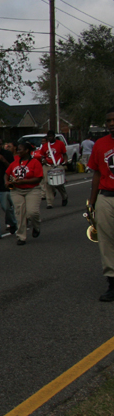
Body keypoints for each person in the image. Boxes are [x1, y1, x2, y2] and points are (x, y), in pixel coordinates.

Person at [87, 108, 114, 301]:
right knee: (106, 240)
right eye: (108, 120)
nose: (111, 123)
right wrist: (93, 201)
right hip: (106, 196)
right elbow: (96, 172)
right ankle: (112, 282)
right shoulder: (100, 144)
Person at [5, 142, 43, 246]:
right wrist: (7, 182)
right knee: (19, 213)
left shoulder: (35, 162)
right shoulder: (15, 162)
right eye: (17, 150)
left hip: (32, 189)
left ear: (27, 151)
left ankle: (36, 226)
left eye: (20, 150)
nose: (18, 151)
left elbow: (39, 178)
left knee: (32, 212)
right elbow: (7, 173)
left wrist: (24, 181)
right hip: (17, 191)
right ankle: (21, 236)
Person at [39, 130, 69, 209]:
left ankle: (64, 196)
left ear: (54, 136)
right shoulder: (45, 146)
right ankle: (49, 203)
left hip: (58, 165)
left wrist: (65, 161)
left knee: (59, 183)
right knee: (47, 183)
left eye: (51, 136)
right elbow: (42, 156)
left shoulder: (60, 144)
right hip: (48, 165)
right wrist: (43, 160)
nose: (50, 138)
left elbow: (64, 154)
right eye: (49, 137)